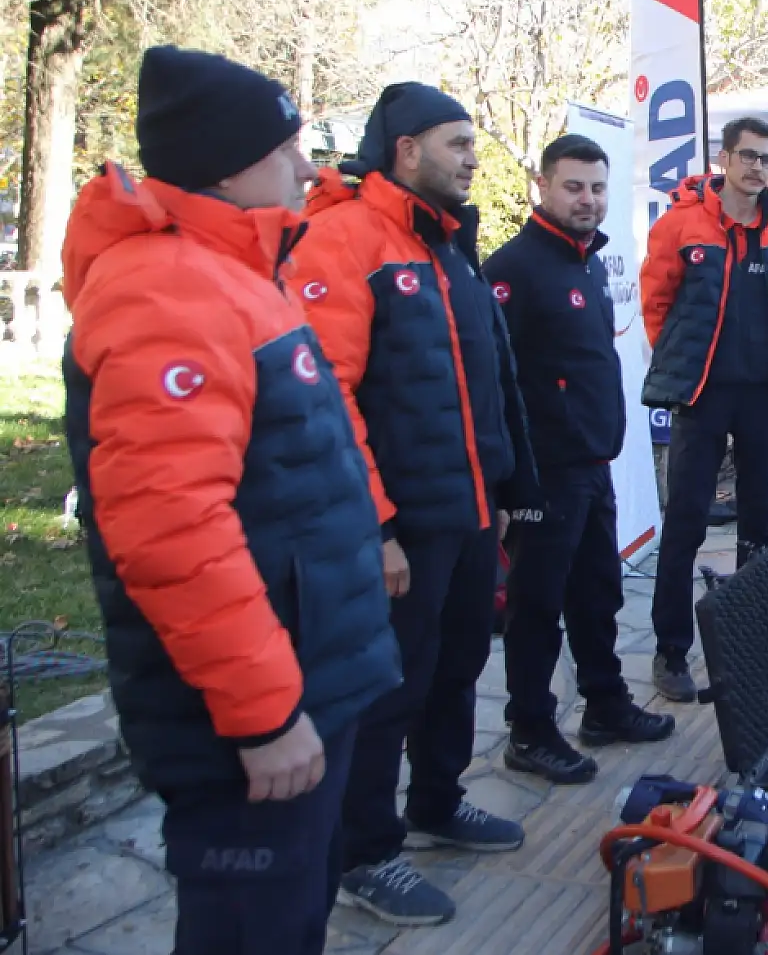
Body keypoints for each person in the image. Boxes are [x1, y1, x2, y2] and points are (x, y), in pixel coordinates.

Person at [60, 46, 402, 955]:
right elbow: (173, 530)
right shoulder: (165, 289)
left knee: (292, 917)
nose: (308, 166)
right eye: (287, 146)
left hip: (306, 679)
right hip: (252, 718)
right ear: (225, 161)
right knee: (251, 929)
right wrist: (264, 717)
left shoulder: (242, 273)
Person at [292, 83, 545, 926]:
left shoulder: (447, 244)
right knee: (386, 690)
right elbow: (329, 400)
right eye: (457, 144)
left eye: (473, 144)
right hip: (400, 525)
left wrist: (503, 492)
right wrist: (379, 526)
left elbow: (484, 380)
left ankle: (435, 800)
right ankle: (365, 851)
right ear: (405, 149)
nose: (474, 159)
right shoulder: (345, 239)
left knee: (457, 666)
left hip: (467, 514)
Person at [483, 134, 676, 786]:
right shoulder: (513, 269)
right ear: (541, 185)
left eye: (597, 188)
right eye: (573, 186)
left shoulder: (591, 262)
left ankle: (605, 703)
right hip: (544, 471)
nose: (588, 199)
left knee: (598, 593)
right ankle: (530, 731)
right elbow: (493, 383)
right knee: (537, 608)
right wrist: (511, 483)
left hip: (594, 464)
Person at [641, 116, 768, 702]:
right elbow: (657, 305)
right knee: (684, 523)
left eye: (766, 158)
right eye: (747, 156)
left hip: (762, 396)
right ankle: (671, 651)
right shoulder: (682, 225)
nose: (757, 167)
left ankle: (758, 638)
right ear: (724, 160)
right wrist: (685, 368)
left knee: (759, 525)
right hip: (704, 395)